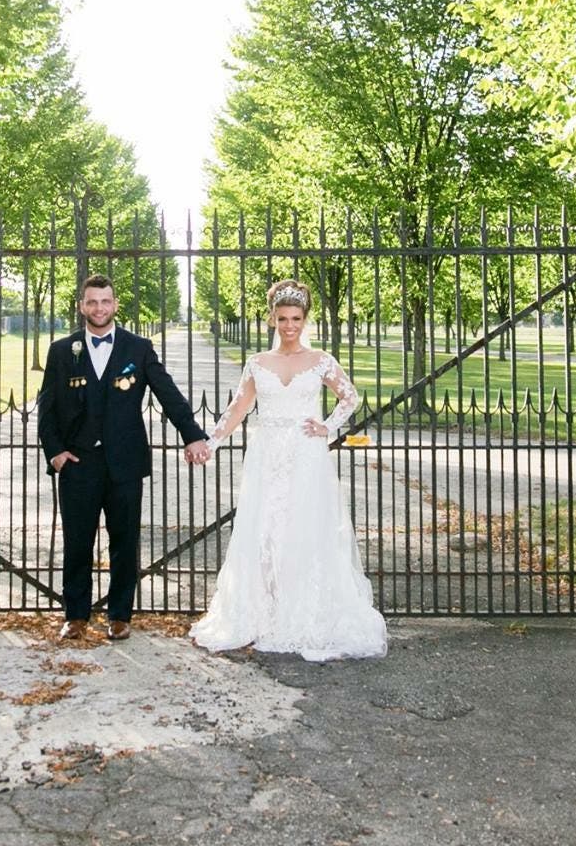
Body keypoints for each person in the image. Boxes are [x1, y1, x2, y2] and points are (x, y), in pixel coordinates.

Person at [190, 278, 387, 662]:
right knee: (265, 527)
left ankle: (307, 611)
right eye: (283, 318)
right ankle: (266, 610)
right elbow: (237, 409)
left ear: (305, 318)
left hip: (305, 455)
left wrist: (327, 426)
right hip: (266, 456)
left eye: (296, 318)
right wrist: (210, 442)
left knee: (305, 528)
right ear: (272, 319)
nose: (290, 325)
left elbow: (350, 397)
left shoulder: (320, 360)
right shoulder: (258, 363)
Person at [36, 274, 211, 644]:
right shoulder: (62, 351)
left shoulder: (138, 348)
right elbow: (47, 409)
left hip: (125, 464)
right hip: (78, 465)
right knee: (77, 542)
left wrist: (193, 434)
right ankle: (76, 615)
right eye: (92, 302)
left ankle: (119, 615)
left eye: (105, 301)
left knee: (124, 541)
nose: (99, 308)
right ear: (82, 306)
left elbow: (168, 393)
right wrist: (55, 454)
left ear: (115, 305)